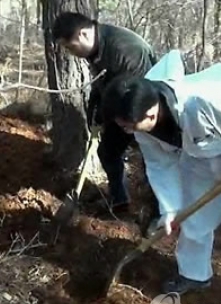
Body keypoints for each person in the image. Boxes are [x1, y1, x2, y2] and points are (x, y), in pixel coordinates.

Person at [99, 50, 221, 304]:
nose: (126, 130)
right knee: (193, 218)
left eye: (129, 125)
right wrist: (170, 209)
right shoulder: (140, 124)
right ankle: (194, 274)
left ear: (151, 113)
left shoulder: (208, 97)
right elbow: (160, 165)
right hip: (199, 159)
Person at [52, 12, 157, 216]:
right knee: (107, 152)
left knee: (154, 162)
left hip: (146, 112)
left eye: (70, 47)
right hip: (121, 109)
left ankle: (159, 214)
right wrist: (94, 108)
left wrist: (104, 114)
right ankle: (120, 203)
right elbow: (104, 82)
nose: (71, 53)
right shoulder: (97, 47)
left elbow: (130, 93)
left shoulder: (125, 49)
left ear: (82, 34)